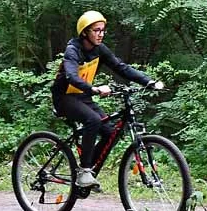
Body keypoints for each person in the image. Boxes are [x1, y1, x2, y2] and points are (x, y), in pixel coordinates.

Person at [51, 10, 163, 188]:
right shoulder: (73, 50)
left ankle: (88, 170)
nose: (101, 34)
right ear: (85, 32)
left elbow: (121, 67)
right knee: (93, 120)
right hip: (64, 97)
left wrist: (148, 81)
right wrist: (94, 88)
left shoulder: (99, 50)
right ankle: (85, 172)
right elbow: (72, 76)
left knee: (110, 132)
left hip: (82, 97)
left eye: (103, 30)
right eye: (96, 30)